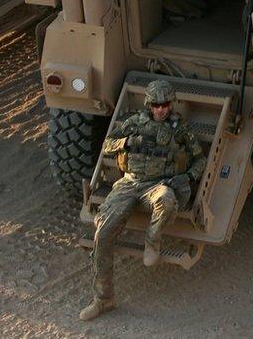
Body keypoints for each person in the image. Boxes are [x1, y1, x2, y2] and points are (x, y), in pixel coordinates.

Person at [80, 80, 206, 321]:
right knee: (102, 235)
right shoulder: (134, 122)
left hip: (158, 184)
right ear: (149, 104)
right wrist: (126, 142)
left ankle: (153, 241)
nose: (161, 110)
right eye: (156, 105)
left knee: (167, 200)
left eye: (165, 104)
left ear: (171, 104)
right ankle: (103, 299)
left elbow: (199, 160)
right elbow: (107, 146)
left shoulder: (180, 129)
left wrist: (188, 177)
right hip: (129, 183)